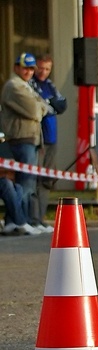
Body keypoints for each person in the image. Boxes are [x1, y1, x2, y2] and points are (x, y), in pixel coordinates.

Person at [1, 53, 48, 231]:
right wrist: (40, 106)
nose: (28, 71)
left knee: (27, 184)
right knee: (24, 184)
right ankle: (20, 221)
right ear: (16, 68)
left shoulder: (26, 86)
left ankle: (21, 220)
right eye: (25, 67)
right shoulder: (14, 86)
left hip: (31, 139)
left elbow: (42, 106)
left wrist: (40, 105)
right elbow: (35, 111)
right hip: (20, 139)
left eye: (31, 69)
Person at [30, 55, 67, 229]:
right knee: (34, 179)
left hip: (53, 137)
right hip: (39, 138)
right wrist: (51, 104)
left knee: (46, 180)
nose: (43, 72)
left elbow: (62, 105)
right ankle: (34, 217)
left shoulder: (50, 85)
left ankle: (41, 218)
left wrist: (51, 104)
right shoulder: (32, 84)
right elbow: (42, 104)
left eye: (47, 69)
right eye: (40, 68)